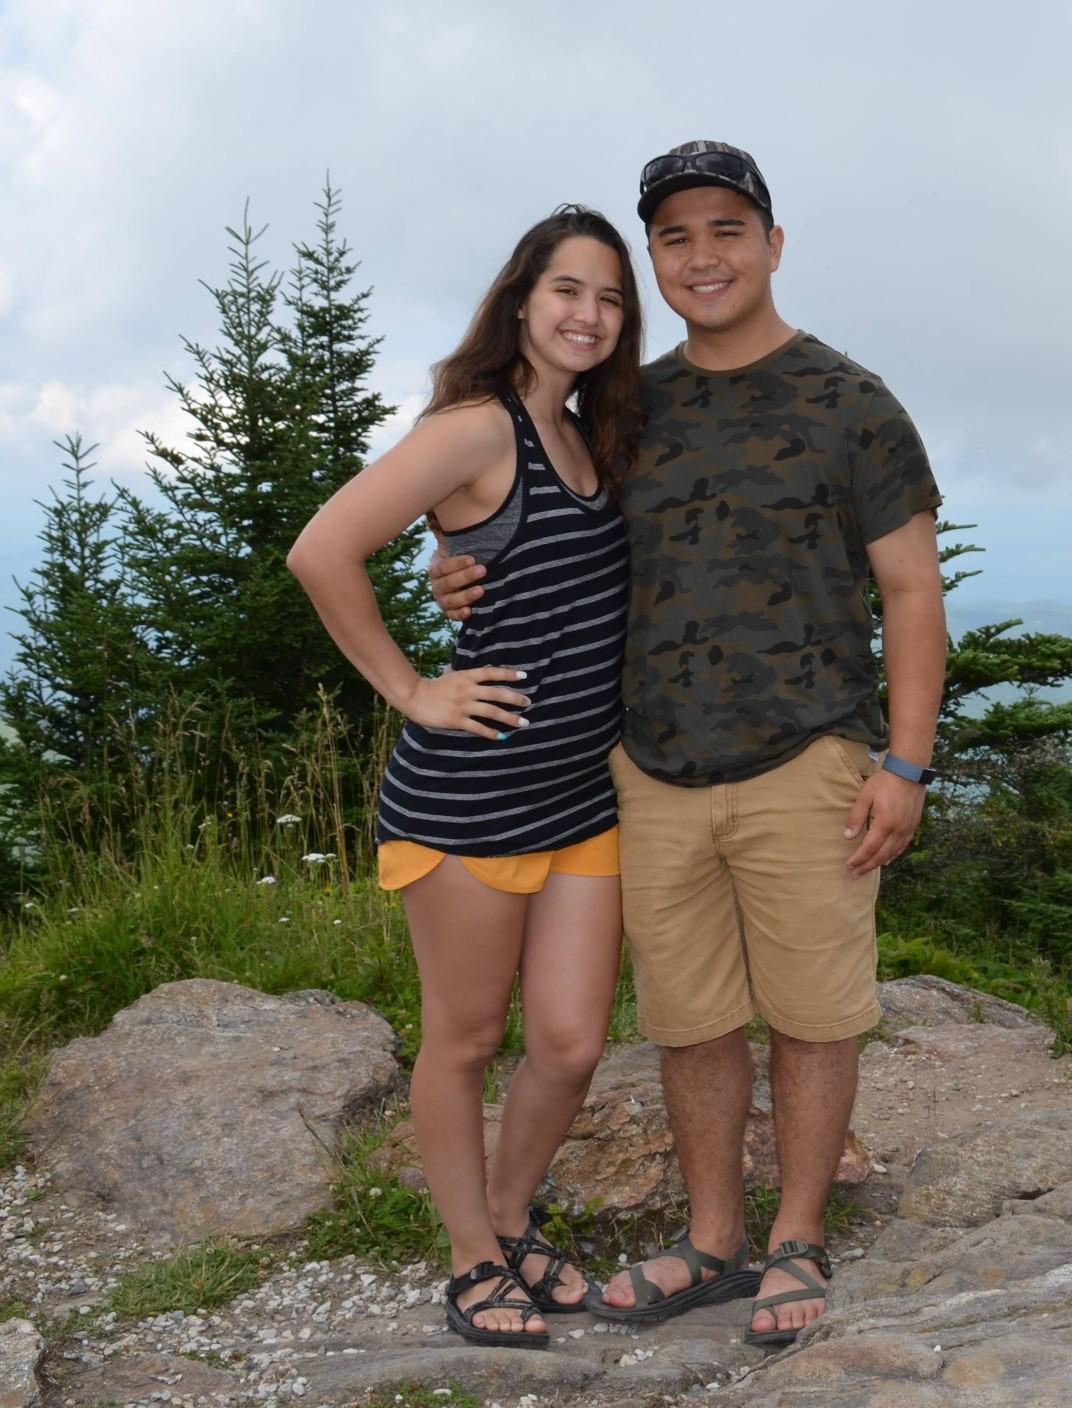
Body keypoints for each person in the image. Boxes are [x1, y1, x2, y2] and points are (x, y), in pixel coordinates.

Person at [430, 143, 946, 1347]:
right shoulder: (632, 406)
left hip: (810, 757)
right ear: (655, 257)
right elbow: (547, 531)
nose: (701, 257)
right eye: (675, 237)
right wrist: (458, 574)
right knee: (691, 1017)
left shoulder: (851, 402)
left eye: (726, 229)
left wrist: (906, 763)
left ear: (773, 242)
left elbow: (912, 591)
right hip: (647, 767)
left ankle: (798, 1239)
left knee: (814, 1013)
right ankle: (713, 1239)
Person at [288, 205, 644, 1348]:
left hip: (582, 796)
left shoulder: (595, 433)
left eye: (608, 298)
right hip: (467, 799)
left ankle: (507, 1213)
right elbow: (323, 548)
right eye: (568, 292)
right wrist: (411, 689)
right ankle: (470, 1260)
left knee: (573, 1041)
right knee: (463, 1039)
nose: (589, 315)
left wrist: (459, 565)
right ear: (523, 301)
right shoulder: (475, 429)